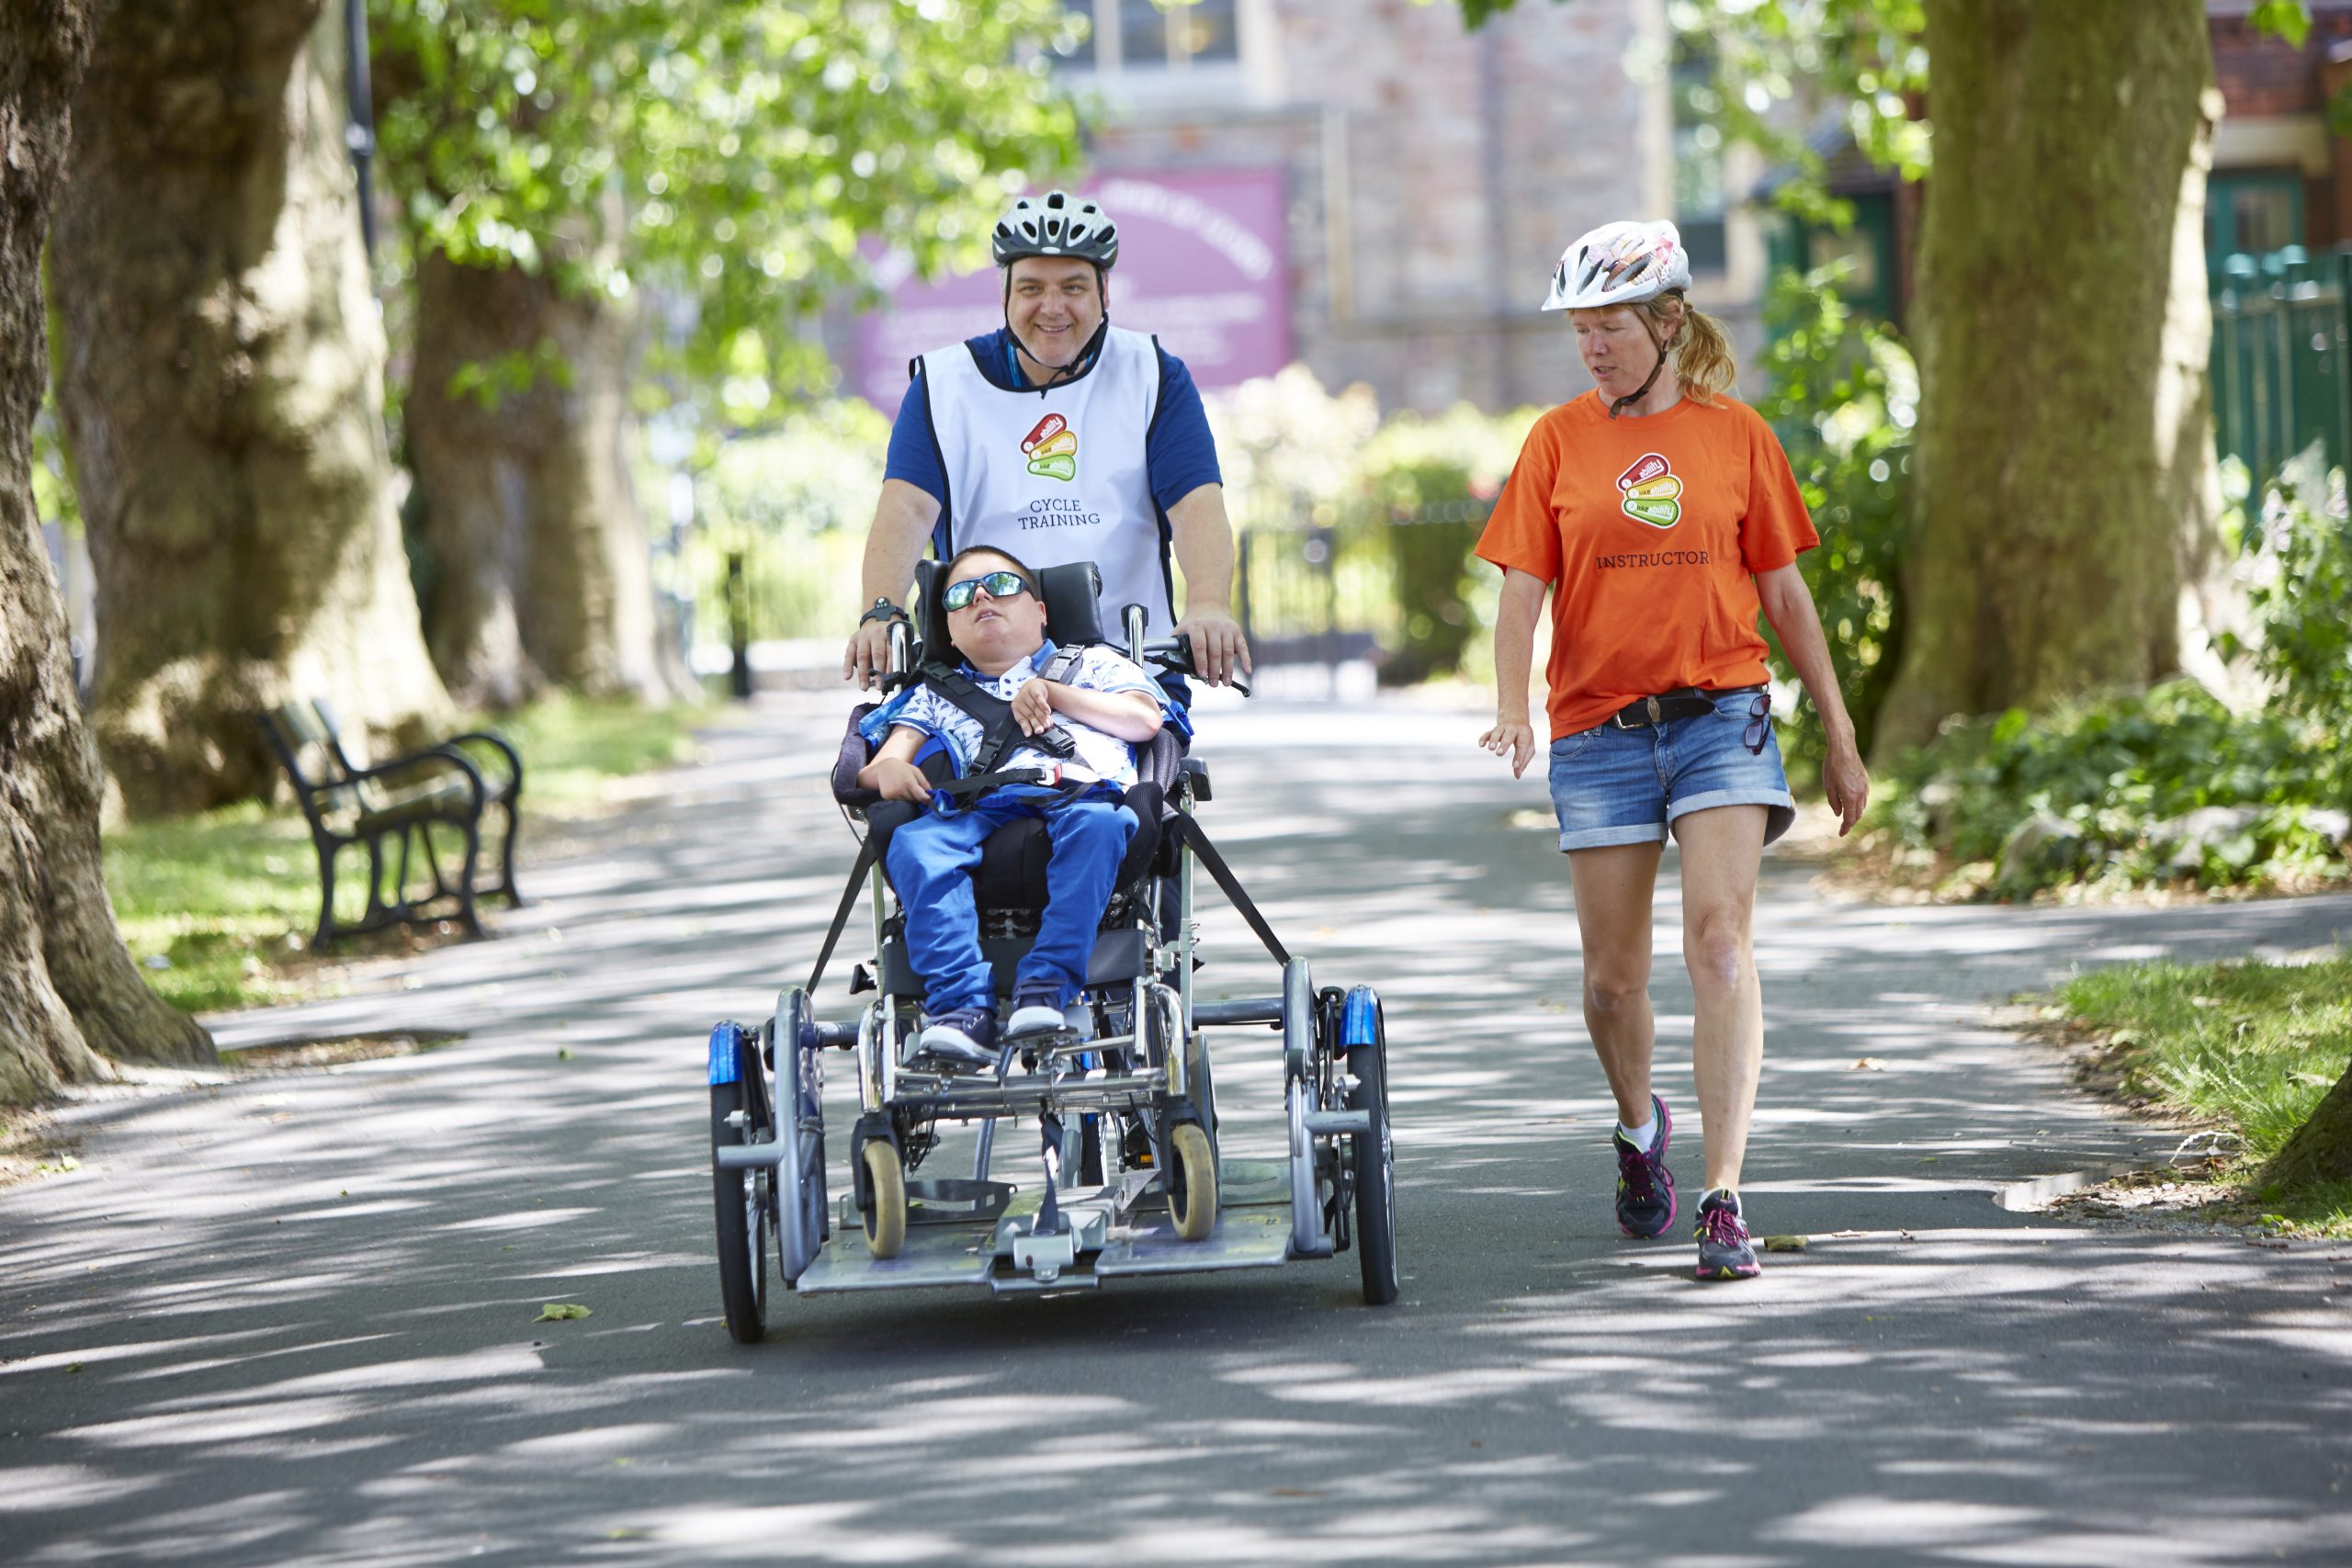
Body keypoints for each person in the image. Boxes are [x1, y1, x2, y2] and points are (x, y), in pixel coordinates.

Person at [1474, 219, 1870, 1281]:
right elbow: (1520, 593)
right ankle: (1639, 1126)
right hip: (1598, 731)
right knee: (1611, 982)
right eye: (1579, 330)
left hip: (1720, 720)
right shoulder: (1555, 441)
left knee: (1719, 946)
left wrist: (1837, 733)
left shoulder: (1736, 436)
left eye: (1608, 326)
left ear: (1666, 321)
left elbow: (1785, 592)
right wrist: (1513, 705)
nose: (1591, 346)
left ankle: (1723, 1194)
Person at [841, 189, 1250, 700]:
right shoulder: (943, 385)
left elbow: (1195, 504)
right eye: (1031, 287)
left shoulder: (1153, 374)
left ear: (1105, 292)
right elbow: (906, 506)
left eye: (1073, 287)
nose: (1051, 307)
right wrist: (882, 609)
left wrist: (1209, 603)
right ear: (1006, 294)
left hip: (1128, 667)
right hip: (981, 672)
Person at [856, 546, 1168, 1068]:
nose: (981, 596)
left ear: (1041, 610)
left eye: (1000, 585)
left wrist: (1051, 692)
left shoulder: (1093, 663)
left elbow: (1144, 721)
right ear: (950, 631)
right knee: (914, 842)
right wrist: (886, 770)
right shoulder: (934, 692)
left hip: (1080, 792)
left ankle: (1045, 987)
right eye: (960, 595)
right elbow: (879, 764)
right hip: (983, 802)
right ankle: (961, 1009)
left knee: (1102, 823)